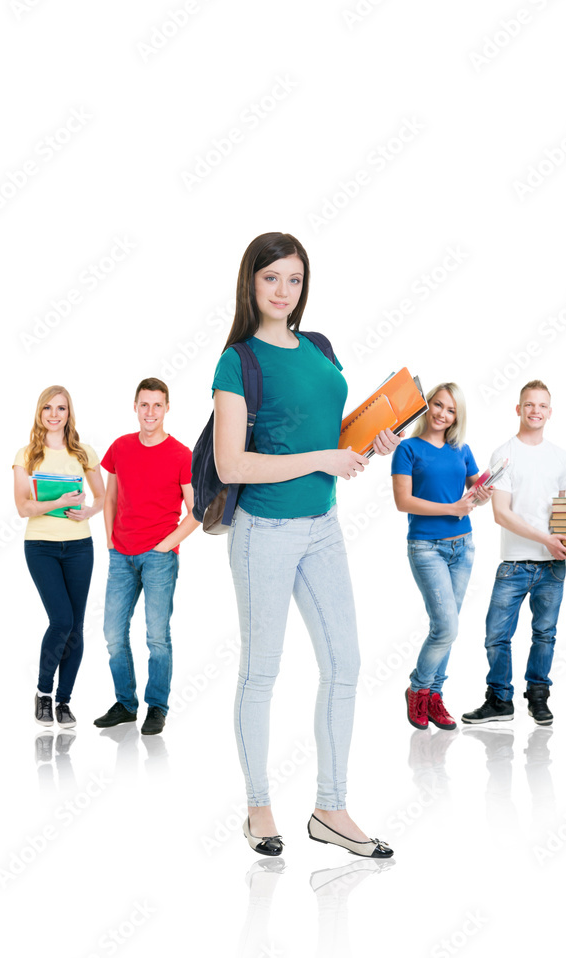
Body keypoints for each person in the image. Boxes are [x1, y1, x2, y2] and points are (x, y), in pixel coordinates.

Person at [212, 231, 398, 859]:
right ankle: (258, 806)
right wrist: (323, 456)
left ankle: (331, 808)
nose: (283, 291)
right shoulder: (237, 361)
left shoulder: (319, 348)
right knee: (261, 672)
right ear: (251, 284)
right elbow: (233, 464)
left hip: (322, 527)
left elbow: (326, 434)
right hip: (263, 531)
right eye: (271, 279)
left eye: (293, 279)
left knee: (344, 664)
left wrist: (365, 447)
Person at [460, 380, 566, 728]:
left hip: (553, 565)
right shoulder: (504, 455)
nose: (535, 410)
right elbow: (501, 514)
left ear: (550, 412)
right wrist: (546, 538)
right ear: (518, 409)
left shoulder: (560, 457)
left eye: (542, 405)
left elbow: (563, 510)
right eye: (529, 404)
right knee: (497, 635)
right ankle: (500, 699)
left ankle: (538, 698)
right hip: (514, 565)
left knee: (545, 634)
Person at [93, 378, 200, 736]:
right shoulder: (121, 448)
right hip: (121, 555)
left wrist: (167, 544)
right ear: (135, 407)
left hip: (158, 557)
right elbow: (109, 497)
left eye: (157, 405)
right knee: (112, 633)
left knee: (157, 636)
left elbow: (197, 510)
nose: (150, 412)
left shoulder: (182, 455)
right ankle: (125, 704)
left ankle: (157, 707)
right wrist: (109, 540)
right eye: (144, 405)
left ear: (167, 408)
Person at [391, 382, 492, 732]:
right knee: (446, 627)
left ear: (456, 417)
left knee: (447, 629)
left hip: (463, 547)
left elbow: (476, 488)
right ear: (427, 405)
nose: (442, 414)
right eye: (438, 405)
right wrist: (452, 507)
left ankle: (435, 696)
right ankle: (417, 689)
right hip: (426, 548)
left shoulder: (461, 449)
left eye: (451, 410)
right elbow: (403, 501)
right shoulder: (407, 449)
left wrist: (484, 491)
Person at [13, 385, 105, 729]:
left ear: (69, 414)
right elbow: (23, 507)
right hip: (41, 546)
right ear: (40, 413)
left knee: (76, 627)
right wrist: (59, 502)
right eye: (48, 408)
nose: (54, 414)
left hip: (79, 546)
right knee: (61, 620)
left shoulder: (83, 453)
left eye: (61, 408)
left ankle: (64, 700)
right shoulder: (26, 455)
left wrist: (88, 512)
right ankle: (43, 693)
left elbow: (101, 497)